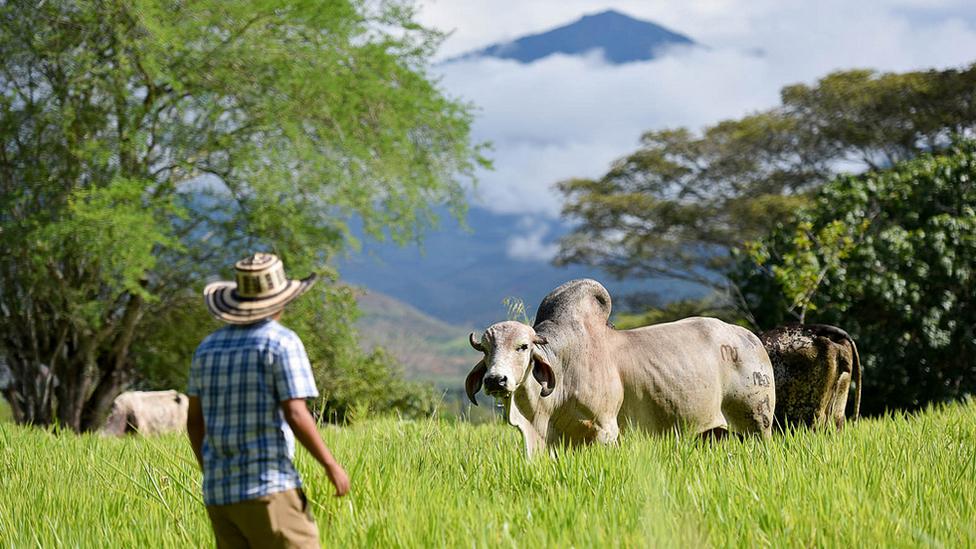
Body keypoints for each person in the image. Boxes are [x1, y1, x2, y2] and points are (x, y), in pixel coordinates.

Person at [186, 252, 350, 549]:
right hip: (269, 489)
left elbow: (195, 422)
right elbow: (296, 413)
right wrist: (330, 465)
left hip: (219, 496)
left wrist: (211, 472)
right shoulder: (281, 342)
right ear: (281, 300)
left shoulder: (206, 348)